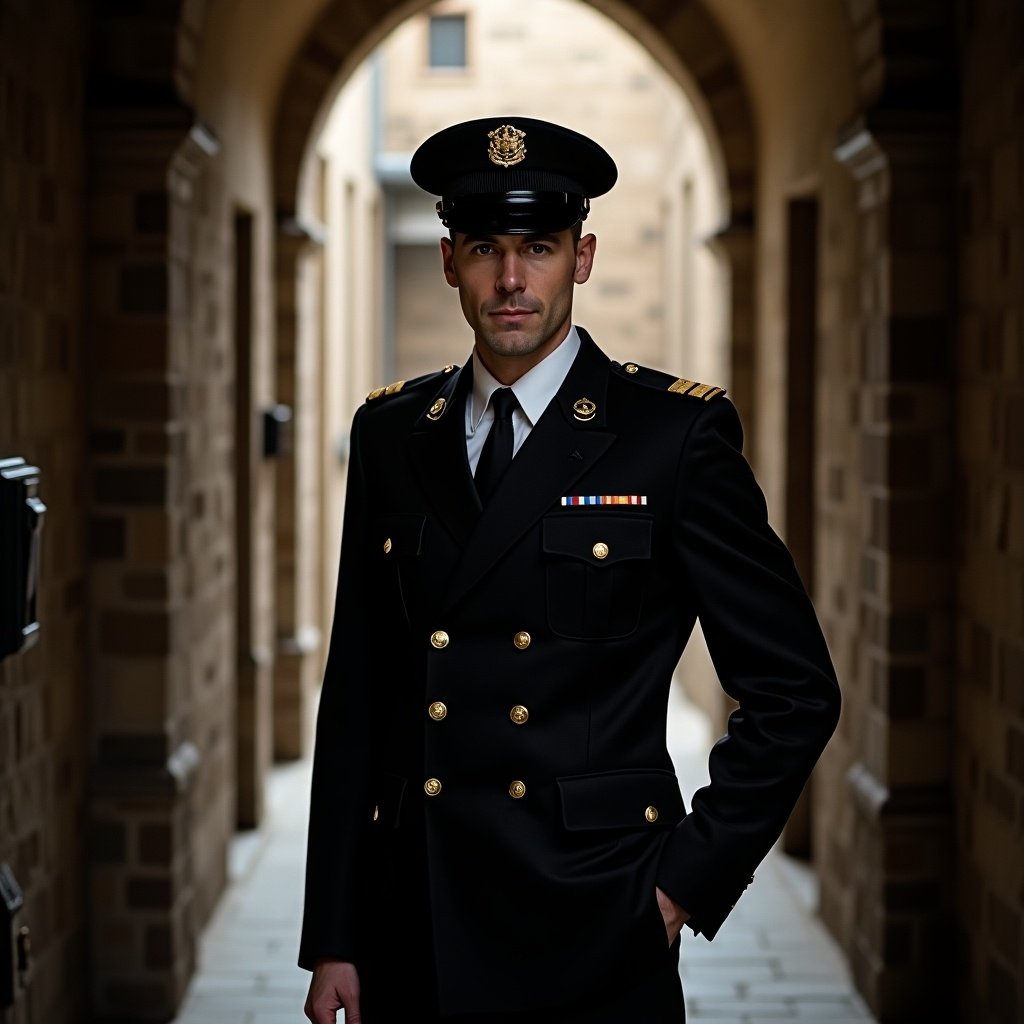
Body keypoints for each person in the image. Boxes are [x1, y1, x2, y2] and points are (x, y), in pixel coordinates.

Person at [300, 115, 841, 1023]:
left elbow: (795, 692)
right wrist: (335, 936)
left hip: (596, 917)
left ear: (581, 257)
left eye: (539, 249)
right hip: (417, 914)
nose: (511, 280)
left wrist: (679, 888)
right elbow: (356, 697)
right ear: (449, 262)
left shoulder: (670, 438)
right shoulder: (391, 435)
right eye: (485, 249)